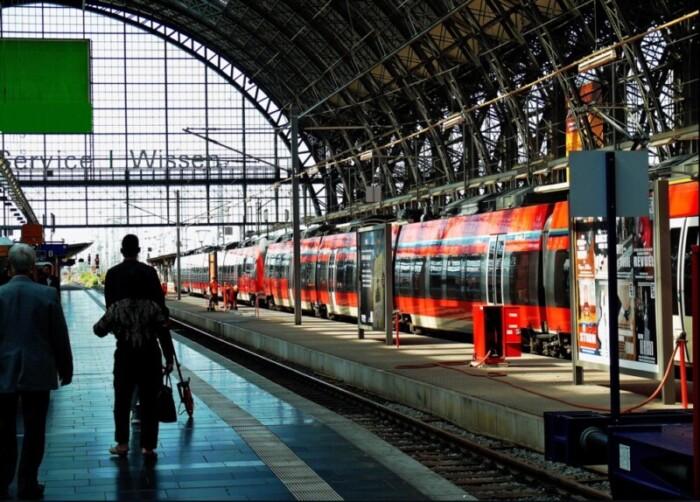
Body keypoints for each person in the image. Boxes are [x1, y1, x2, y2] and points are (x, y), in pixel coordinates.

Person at [0, 244, 73, 499]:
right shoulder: (47, 294)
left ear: (8, 267)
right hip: (38, 371)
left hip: (3, 372)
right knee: (34, 430)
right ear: (33, 268)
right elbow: (59, 336)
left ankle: (2, 480)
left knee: (4, 430)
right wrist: (66, 367)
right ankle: (27, 483)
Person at [101, 235, 174, 460]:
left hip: (124, 352)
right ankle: (148, 447)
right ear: (139, 250)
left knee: (122, 399)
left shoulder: (112, 275)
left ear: (123, 251)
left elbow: (106, 317)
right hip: (150, 353)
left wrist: (118, 323)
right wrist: (169, 357)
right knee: (149, 400)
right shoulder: (150, 275)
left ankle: (122, 444)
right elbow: (163, 321)